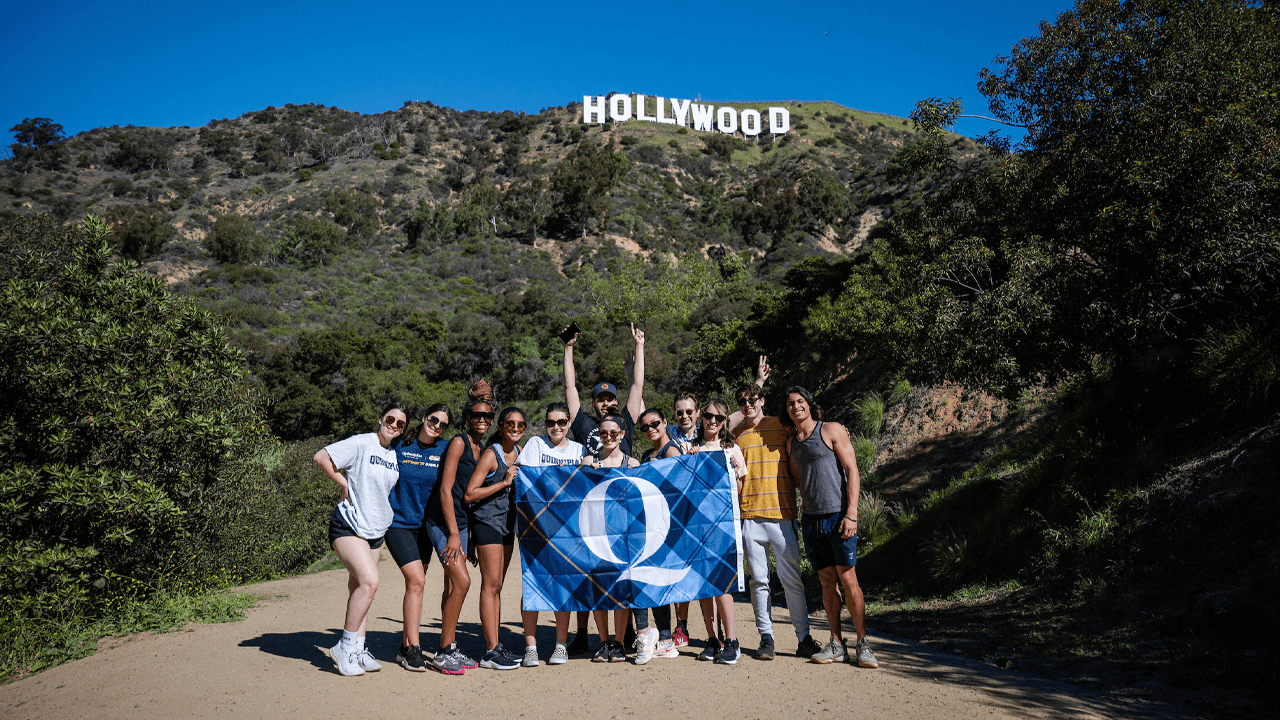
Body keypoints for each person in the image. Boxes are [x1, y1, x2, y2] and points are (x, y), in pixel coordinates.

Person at [561, 323, 647, 654]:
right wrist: (568, 349)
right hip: (592, 510)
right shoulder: (582, 424)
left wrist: (639, 346)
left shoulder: (625, 421)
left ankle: (624, 636)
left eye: (610, 397)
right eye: (600, 398)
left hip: (623, 509)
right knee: (593, 573)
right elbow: (570, 387)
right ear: (594, 402)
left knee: (624, 573)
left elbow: (637, 385)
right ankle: (596, 638)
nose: (606, 403)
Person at [783, 386, 878, 669]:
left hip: (839, 516)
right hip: (812, 520)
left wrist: (852, 513)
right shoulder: (791, 443)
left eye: (800, 401)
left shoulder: (832, 430)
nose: (796, 406)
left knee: (849, 580)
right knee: (826, 581)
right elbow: (800, 480)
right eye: (790, 403)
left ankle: (863, 643)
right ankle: (837, 643)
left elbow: (852, 470)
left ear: (810, 404)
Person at [313, 404, 408, 677]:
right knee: (370, 582)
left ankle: (357, 648)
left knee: (360, 588)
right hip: (349, 524)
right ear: (380, 418)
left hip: (374, 530)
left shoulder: (391, 454)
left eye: (400, 424)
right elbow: (322, 457)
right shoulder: (362, 442)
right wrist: (342, 483)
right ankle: (344, 646)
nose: (393, 425)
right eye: (390, 419)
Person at [731, 379, 822, 661]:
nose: (748, 405)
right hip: (750, 516)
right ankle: (766, 637)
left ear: (763, 401)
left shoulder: (782, 426)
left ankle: (803, 638)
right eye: (743, 401)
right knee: (759, 581)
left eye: (753, 399)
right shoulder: (736, 435)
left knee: (791, 580)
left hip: (782, 514)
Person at [422, 390, 493, 675]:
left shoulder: (481, 448)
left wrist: (469, 537)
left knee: (452, 585)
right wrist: (452, 533)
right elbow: (445, 489)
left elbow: (471, 496)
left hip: (462, 524)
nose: (482, 420)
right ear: (468, 418)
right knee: (462, 582)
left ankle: (449, 646)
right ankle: (442, 652)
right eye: (477, 415)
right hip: (442, 522)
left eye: (487, 416)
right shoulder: (458, 443)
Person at [515, 401, 585, 667]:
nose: (556, 427)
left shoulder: (579, 450)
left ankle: (560, 645)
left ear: (568, 423)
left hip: (570, 529)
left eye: (561, 422)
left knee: (563, 583)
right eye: (551, 422)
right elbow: (526, 477)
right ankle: (530, 647)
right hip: (536, 526)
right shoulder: (536, 445)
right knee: (532, 581)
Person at [386, 403, 452, 672]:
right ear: (424, 417)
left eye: (442, 424)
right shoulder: (401, 444)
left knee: (416, 585)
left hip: (425, 527)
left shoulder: (445, 449)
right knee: (417, 579)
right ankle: (414, 648)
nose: (436, 426)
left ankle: (404, 647)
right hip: (398, 523)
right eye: (433, 419)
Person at [464, 406, 527, 671]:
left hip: (507, 526)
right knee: (490, 585)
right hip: (487, 521)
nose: (515, 428)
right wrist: (503, 483)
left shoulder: (521, 453)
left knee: (497, 585)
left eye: (520, 425)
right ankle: (490, 651)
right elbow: (470, 493)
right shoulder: (492, 454)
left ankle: (496, 645)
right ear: (500, 427)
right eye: (509, 424)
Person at [688, 398, 747, 665]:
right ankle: (713, 640)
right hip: (697, 526)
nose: (713, 421)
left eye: (719, 418)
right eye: (709, 416)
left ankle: (732, 642)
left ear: (725, 422)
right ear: (702, 417)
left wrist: (734, 472)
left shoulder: (732, 449)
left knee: (722, 583)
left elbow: (739, 491)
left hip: (723, 525)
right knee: (703, 586)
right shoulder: (691, 448)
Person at [578, 415, 640, 663]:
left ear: (622, 435)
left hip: (624, 535)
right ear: (598, 435)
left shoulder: (633, 462)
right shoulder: (589, 461)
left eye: (614, 433)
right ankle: (604, 642)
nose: (609, 437)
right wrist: (585, 473)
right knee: (599, 588)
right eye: (604, 433)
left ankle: (618, 642)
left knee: (621, 589)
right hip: (595, 533)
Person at [631, 408, 683, 663]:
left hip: (663, 527)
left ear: (665, 423)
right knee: (653, 581)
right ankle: (662, 638)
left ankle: (656, 636)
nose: (650, 429)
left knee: (647, 581)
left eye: (655, 424)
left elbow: (674, 487)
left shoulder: (671, 451)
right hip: (648, 526)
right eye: (644, 427)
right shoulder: (646, 455)